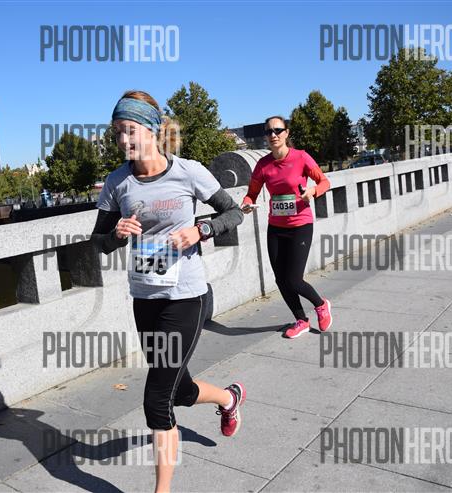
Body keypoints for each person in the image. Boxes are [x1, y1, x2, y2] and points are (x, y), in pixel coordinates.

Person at [91, 90, 244, 493]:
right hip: (145, 299)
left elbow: (234, 212)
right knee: (180, 389)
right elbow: (98, 242)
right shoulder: (117, 182)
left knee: (157, 400)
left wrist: (201, 229)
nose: (123, 140)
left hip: (187, 298)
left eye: (130, 131)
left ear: (152, 130)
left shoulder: (188, 172)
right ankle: (229, 398)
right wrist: (116, 233)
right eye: (117, 133)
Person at [241, 116, 333, 338]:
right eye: (269, 132)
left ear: (286, 133)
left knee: (293, 279)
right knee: (280, 279)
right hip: (276, 227)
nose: (273, 135)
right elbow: (251, 193)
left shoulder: (301, 157)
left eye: (278, 130)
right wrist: (246, 204)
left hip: (300, 225)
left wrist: (312, 191)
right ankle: (301, 320)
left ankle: (321, 304)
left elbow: (324, 182)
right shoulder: (263, 164)